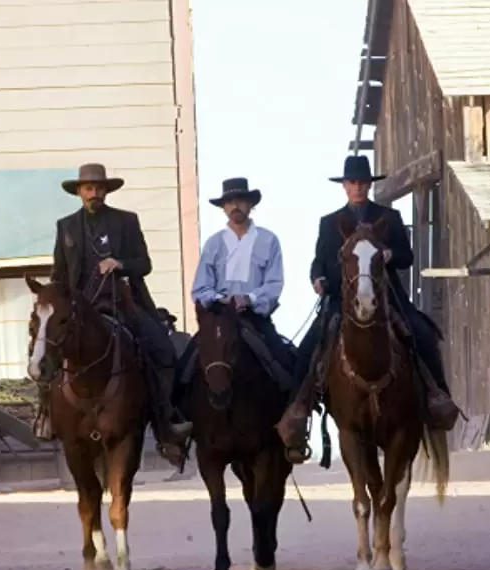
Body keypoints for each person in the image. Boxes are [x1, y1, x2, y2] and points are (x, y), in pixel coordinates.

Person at [31, 163, 192, 466]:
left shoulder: (126, 221)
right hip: (80, 306)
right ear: (79, 192)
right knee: (45, 345)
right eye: (89, 188)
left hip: (122, 301)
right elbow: (59, 272)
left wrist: (120, 263)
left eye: (99, 188)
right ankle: (47, 416)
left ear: (106, 191)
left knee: (161, 348)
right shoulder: (66, 226)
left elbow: (144, 264)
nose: (94, 194)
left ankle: (165, 421)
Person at [291, 156, 456, 435]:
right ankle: (298, 409)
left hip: (386, 297)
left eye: (362, 182)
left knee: (421, 333)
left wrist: (391, 254)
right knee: (308, 346)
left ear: (369, 185)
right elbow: (318, 260)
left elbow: (407, 257)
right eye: (352, 182)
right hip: (340, 300)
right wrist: (317, 278)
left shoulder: (389, 219)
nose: (358, 187)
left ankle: (436, 396)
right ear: (344, 186)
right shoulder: (329, 222)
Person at [187, 177, 294, 375]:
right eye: (229, 202)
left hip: (254, 316)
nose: (235, 206)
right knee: (185, 364)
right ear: (224, 208)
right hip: (219, 317)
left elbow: (274, 283)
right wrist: (221, 299)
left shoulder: (268, 239)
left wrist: (249, 299)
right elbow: (200, 288)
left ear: (250, 204)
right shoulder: (213, 243)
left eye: (241, 200)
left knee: (285, 363)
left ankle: (294, 404)